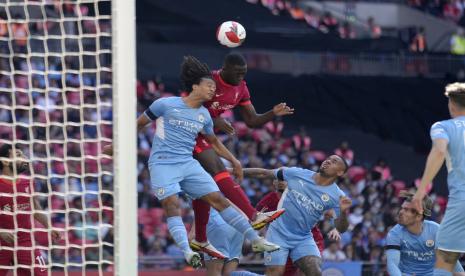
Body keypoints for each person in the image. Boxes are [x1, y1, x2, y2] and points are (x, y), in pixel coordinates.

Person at [105, 56, 279, 268]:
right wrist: (116, 146)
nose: (212, 91)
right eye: (208, 86)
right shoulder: (164, 104)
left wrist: (234, 160)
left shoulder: (205, 115)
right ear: (195, 86)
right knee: (172, 205)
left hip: (188, 163)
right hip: (163, 163)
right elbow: (138, 124)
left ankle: (256, 239)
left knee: (218, 199)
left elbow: (214, 142)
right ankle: (188, 252)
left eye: (214, 87)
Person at [190, 53, 294, 257]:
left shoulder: (241, 88)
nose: (240, 77)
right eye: (237, 73)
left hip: (202, 136)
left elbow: (252, 121)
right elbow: (189, 102)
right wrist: (214, 119)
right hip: (187, 131)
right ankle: (253, 216)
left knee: (203, 187)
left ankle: (200, 238)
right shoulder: (209, 80)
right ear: (224, 69)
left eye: (244, 73)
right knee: (217, 172)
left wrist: (272, 113)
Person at [236, 155, 352, 276]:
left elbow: (342, 228)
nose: (328, 161)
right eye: (328, 158)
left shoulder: (338, 196)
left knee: (315, 271)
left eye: (334, 161)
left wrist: (343, 213)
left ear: (340, 172)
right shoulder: (297, 173)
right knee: (275, 273)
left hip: (303, 238)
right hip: (278, 234)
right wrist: (232, 171)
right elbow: (264, 173)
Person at [412, 82, 465, 276]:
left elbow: (440, 151)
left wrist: (420, 191)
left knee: (444, 258)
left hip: (462, 199)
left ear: (451, 104)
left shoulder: (443, 127)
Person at [249, 172, 340, 276]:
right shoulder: (268, 200)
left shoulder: (300, 193)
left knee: (308, 270)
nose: (282, 182)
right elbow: (255, 221)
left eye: (285, 179)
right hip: (281, 240)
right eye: (279, 180)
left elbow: (325, 203)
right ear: (274, 183)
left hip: (310, 238)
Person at [0, 144, 62, 276]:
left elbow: (35, 208)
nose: (25, 158)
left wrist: (49, 226)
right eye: (18, 155)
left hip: (25, 242)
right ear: (5, 161)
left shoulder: (28, 182)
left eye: (23, 154)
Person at [386, 191, 464, 276]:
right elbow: (392, 264)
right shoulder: (394, 234)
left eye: (406, 210)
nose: (401, 212)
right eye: (402, 208)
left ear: (419, 216)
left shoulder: (437, 231)